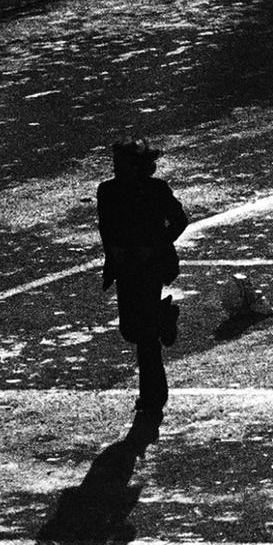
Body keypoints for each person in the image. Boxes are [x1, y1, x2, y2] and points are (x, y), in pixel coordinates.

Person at [96, 142, 188, 409]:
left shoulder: (156, 189)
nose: (116, 168)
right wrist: (114, 254)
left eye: (121, 163)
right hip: (126, 265)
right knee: (131, 330)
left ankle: (152, 397)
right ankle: (163, 316)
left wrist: (154, 247)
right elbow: (107, 226)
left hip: (151, 265)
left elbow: (180, 220)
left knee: (145, 337)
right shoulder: (108, 190)